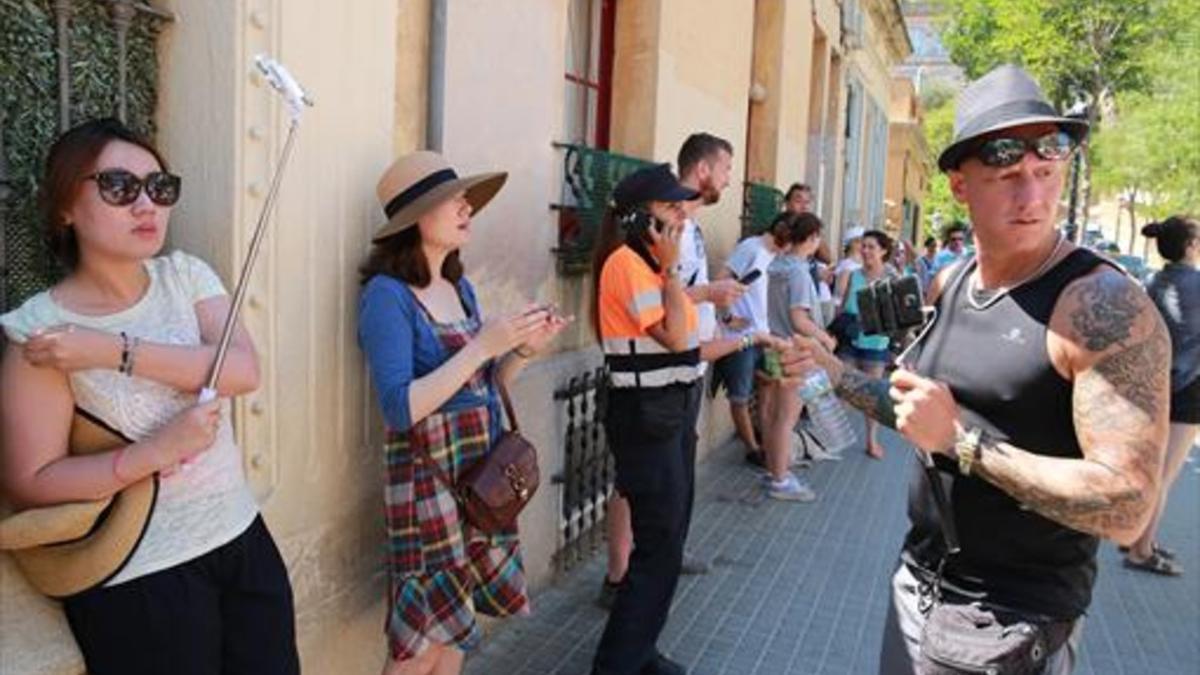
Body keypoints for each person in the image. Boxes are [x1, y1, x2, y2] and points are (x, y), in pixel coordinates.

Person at [794, 64, 1170, 674]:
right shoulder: (951, 280)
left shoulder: (1102, 306)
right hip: (918, 585)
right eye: (1006, 176)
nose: (1033, 198)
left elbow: (1127, 510)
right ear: (959, 185)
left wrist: (964, 444)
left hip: (1013, 623)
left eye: (1046, 173)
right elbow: (922, 413)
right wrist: (836, 374)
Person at [0, 118, 299, 674]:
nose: (147, 205)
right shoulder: (41, 332)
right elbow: (31, 482)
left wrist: (109, 350)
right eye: (119, 186)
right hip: (141, 579)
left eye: (160, 189)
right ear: (66, 205)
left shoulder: (186, 277)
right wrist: (151, 455)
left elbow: (241, 369)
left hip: (241, 539)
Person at [358, 151, 568, 675]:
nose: (466, 206)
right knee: (418, 644)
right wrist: (481, 346)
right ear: (413, 220)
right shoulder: (388, 296)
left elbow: (485, 388)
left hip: (479, 475)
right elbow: (399, 407)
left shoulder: (461, 287)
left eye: (464, 198)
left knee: (455, 632)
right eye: (451, 200)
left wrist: (520, 350)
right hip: (427, 479)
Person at [598, 133, 747, 606]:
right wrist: (675, 278)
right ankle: (625, 581)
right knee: (644, 499)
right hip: (649, 396)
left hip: (674, 385)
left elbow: (681, 322)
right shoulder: (635, 260)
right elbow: (676, 332)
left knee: (667, 508)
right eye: (674, 209)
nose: (682, 217)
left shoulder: (670, 247)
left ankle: (654, 569)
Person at [1122, 215, 1199, 576]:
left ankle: (1137, 536)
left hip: (1151, 385)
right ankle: (1141, 550)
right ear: (1190, 246)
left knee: (1146, 468)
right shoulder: (1197, 284)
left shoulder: (1151, 281)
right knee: (1163, 476)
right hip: (1188, 390)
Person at [713, 214, 794, 468]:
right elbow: (720, 281)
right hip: (740, 338)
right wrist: (727, 318)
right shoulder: (751, 248)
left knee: (769, 387)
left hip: (762, 334)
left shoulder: (769, 254)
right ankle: (752, 449)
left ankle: (768, 443)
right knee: (740, 395)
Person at [763, 212, 834, 500]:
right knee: (786, 418)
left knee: (771, 415)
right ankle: (780, 480)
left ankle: (774, 469)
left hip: (772, 346)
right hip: (795, 351)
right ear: (813, 238)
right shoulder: (799, 272)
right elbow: (799, 319)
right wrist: (825, 338)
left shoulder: (775, 265)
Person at [833, 229, 895, 459]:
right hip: (849, 338)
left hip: (875, 342)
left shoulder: (891, 278)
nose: (866, 250)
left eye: (871, 247)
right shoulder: (853, 274)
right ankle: (832, 437)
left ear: (883, 251)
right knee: (842, 387)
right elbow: (842, 307)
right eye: (864, 246)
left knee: (872, 395)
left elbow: (895, 315)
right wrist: (836, 332)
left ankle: (871, 441)